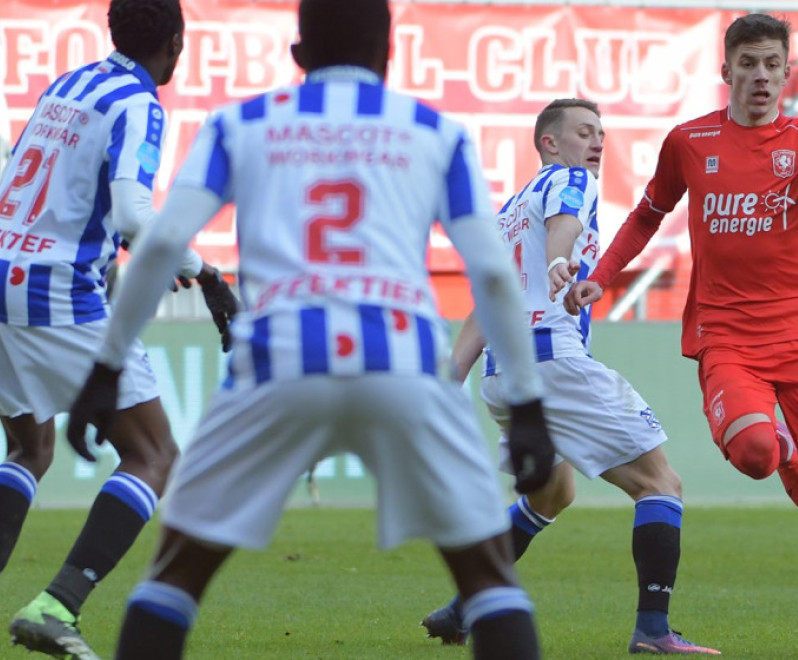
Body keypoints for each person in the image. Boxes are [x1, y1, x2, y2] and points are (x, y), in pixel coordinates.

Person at [62, 0, 558, 658]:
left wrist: (105, 368)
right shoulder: (435, 133)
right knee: (489, 579)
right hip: (404, 365)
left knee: (176, 574)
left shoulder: (241, 125)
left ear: (298, 57)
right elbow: (494, 274)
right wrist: (526, 402)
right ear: (390, 58)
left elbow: (157, 248)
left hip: (277, 364)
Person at [565, 13, 798, 659]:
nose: (760, 76)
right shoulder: (690, 141)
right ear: (726, 71)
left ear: (787, 72)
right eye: (747, 63)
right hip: (727, 337)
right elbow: (647, 214)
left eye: (772, 64)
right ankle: (781, 453)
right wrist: (600, 277)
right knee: (751, 454)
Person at [419, 98, 719, 655]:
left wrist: (449, 378)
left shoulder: (509, 210)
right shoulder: (568, 179)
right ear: (549, 143)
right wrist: (561, 259)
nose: (597, 143)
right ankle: (653, 630)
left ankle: (465, 606)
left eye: (601, 133)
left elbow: (489, 295)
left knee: (554, 493)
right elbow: (567, 225)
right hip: (551, 360)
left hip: (504, 374)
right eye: (584, 132)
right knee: (661, 484)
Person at [0, 1, 236, 657]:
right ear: (175, 43)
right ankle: (56, 604)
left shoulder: (67, 85)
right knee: (154, 455)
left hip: (2, 276)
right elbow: (133, 214)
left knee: (31, 449)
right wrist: (206, 272)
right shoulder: (138, 103)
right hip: (55, 289)